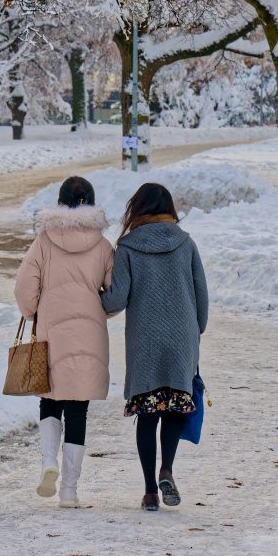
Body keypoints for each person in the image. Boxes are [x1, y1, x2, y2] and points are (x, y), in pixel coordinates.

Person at [102, 183, 208, 511]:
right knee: (175, 407)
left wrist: (95, 297)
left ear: (138, 208)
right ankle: (167, 469)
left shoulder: (128, 247)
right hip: (181, 338)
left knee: (148, 414)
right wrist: (195, 331)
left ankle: (149, 491)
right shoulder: (185, 243)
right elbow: (200, 295)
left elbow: (116, 299)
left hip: (144, 342)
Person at [14, 176, 113, 508]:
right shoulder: (102, 246)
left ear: (60, 203)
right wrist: (98, 310)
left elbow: (25, 288)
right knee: (78, 407)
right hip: (89, 335)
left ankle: (48, 463)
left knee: (50, 399)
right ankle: (69, 490)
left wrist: (33, 311)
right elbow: (114, 294)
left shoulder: (44, 241)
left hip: (52, 332)